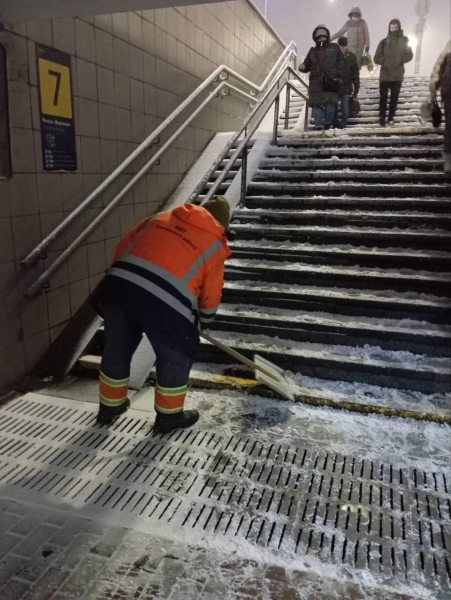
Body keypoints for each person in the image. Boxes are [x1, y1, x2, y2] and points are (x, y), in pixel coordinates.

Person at [96, 196, 232, 432]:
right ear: (222, 224)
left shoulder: (159, 218)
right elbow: (211, 291)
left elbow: (123, 246)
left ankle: (110, 407)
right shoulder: (213, 241)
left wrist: (129, 282)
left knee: (116, 348)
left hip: (118, 288)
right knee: (176, 355)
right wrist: (206, 320)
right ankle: (168, 418)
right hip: (165, 304)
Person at [299, 25, 343, 131]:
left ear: (327, 36)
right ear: (315, 38)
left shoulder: (335, 47)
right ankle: (318, 125)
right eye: (319, 37)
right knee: (317, 105)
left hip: (331, 80)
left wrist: (337, 74)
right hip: (316, 83)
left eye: (323, 36)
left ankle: (327, 122)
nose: (321, 39)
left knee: (330, 104)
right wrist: (303, 67)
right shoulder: (312, 51)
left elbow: (341, 62)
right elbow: (307, 64)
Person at [374, 19, 413, 127]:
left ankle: (391, 117)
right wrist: (385, 62)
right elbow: (376, 58)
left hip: (397, 75)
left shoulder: (404, 41)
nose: (394, 30)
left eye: (395, 28)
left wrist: (400, 59)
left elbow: (410, 55)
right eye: (392, 28)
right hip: (385, 75)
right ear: (389, 28)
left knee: (394, 98)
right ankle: (382, 117)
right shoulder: (383, 42)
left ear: (399, 28)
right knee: (383, 98)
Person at [430, 41, 451, 175]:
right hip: (450, 92)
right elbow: (438, 68)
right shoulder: (449, 48)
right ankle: (448, 159)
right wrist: (434, 84)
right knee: (450, 126)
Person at [334, 36, 360, 129]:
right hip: (335, 86)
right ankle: (335, 125)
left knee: (345, 108)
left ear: (346, 46)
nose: (342, 48)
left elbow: (355, 73)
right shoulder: (334, 56)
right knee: (334, 108)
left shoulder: (351, 56)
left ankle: (343, 126)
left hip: (347, 87)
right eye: (340, 45)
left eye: (344, 46)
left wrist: (356, 88)